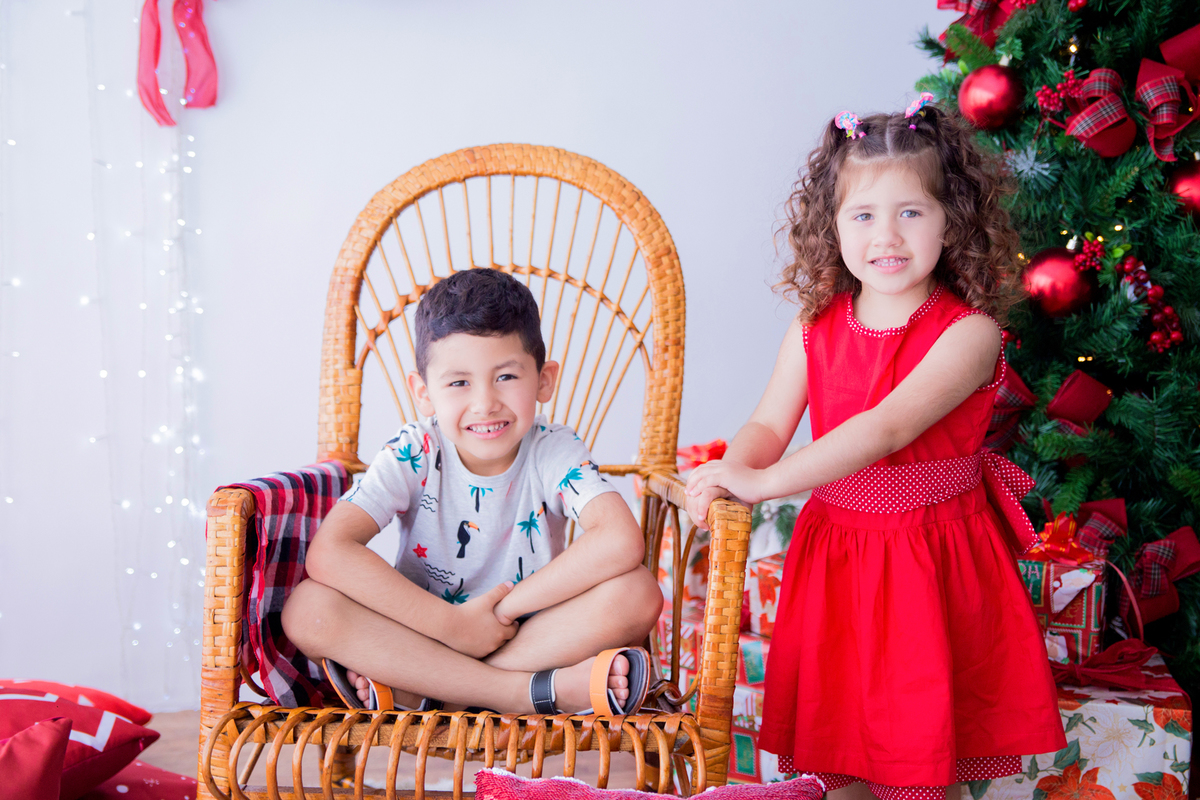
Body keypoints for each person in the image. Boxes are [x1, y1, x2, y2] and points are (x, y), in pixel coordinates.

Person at [685, 97, 1067, 800]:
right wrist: (735, 466)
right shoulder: (813, 325)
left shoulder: (969, 334)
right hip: (839, 561)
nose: (885, 235)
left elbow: (883, 429)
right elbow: (770, 424)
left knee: (919, 763)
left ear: (952, 219)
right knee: (846, 764)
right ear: (831, 227)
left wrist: (765, 486)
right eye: (862, 215)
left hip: (930, 563)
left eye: (911, 212)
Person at [283, 267, 663, 715]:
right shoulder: (415, 449)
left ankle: (428, 691)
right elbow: (330, 552)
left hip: (529, 633)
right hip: (423, 632)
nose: (485, 402)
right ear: (423, 393)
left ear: (544, 380)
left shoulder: (552, 449)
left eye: (506, 376)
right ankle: (526, 694)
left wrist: (500, 613)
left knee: (639, 593)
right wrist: (451, 625)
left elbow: (619, 539)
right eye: (459, 382)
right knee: (307, 608)